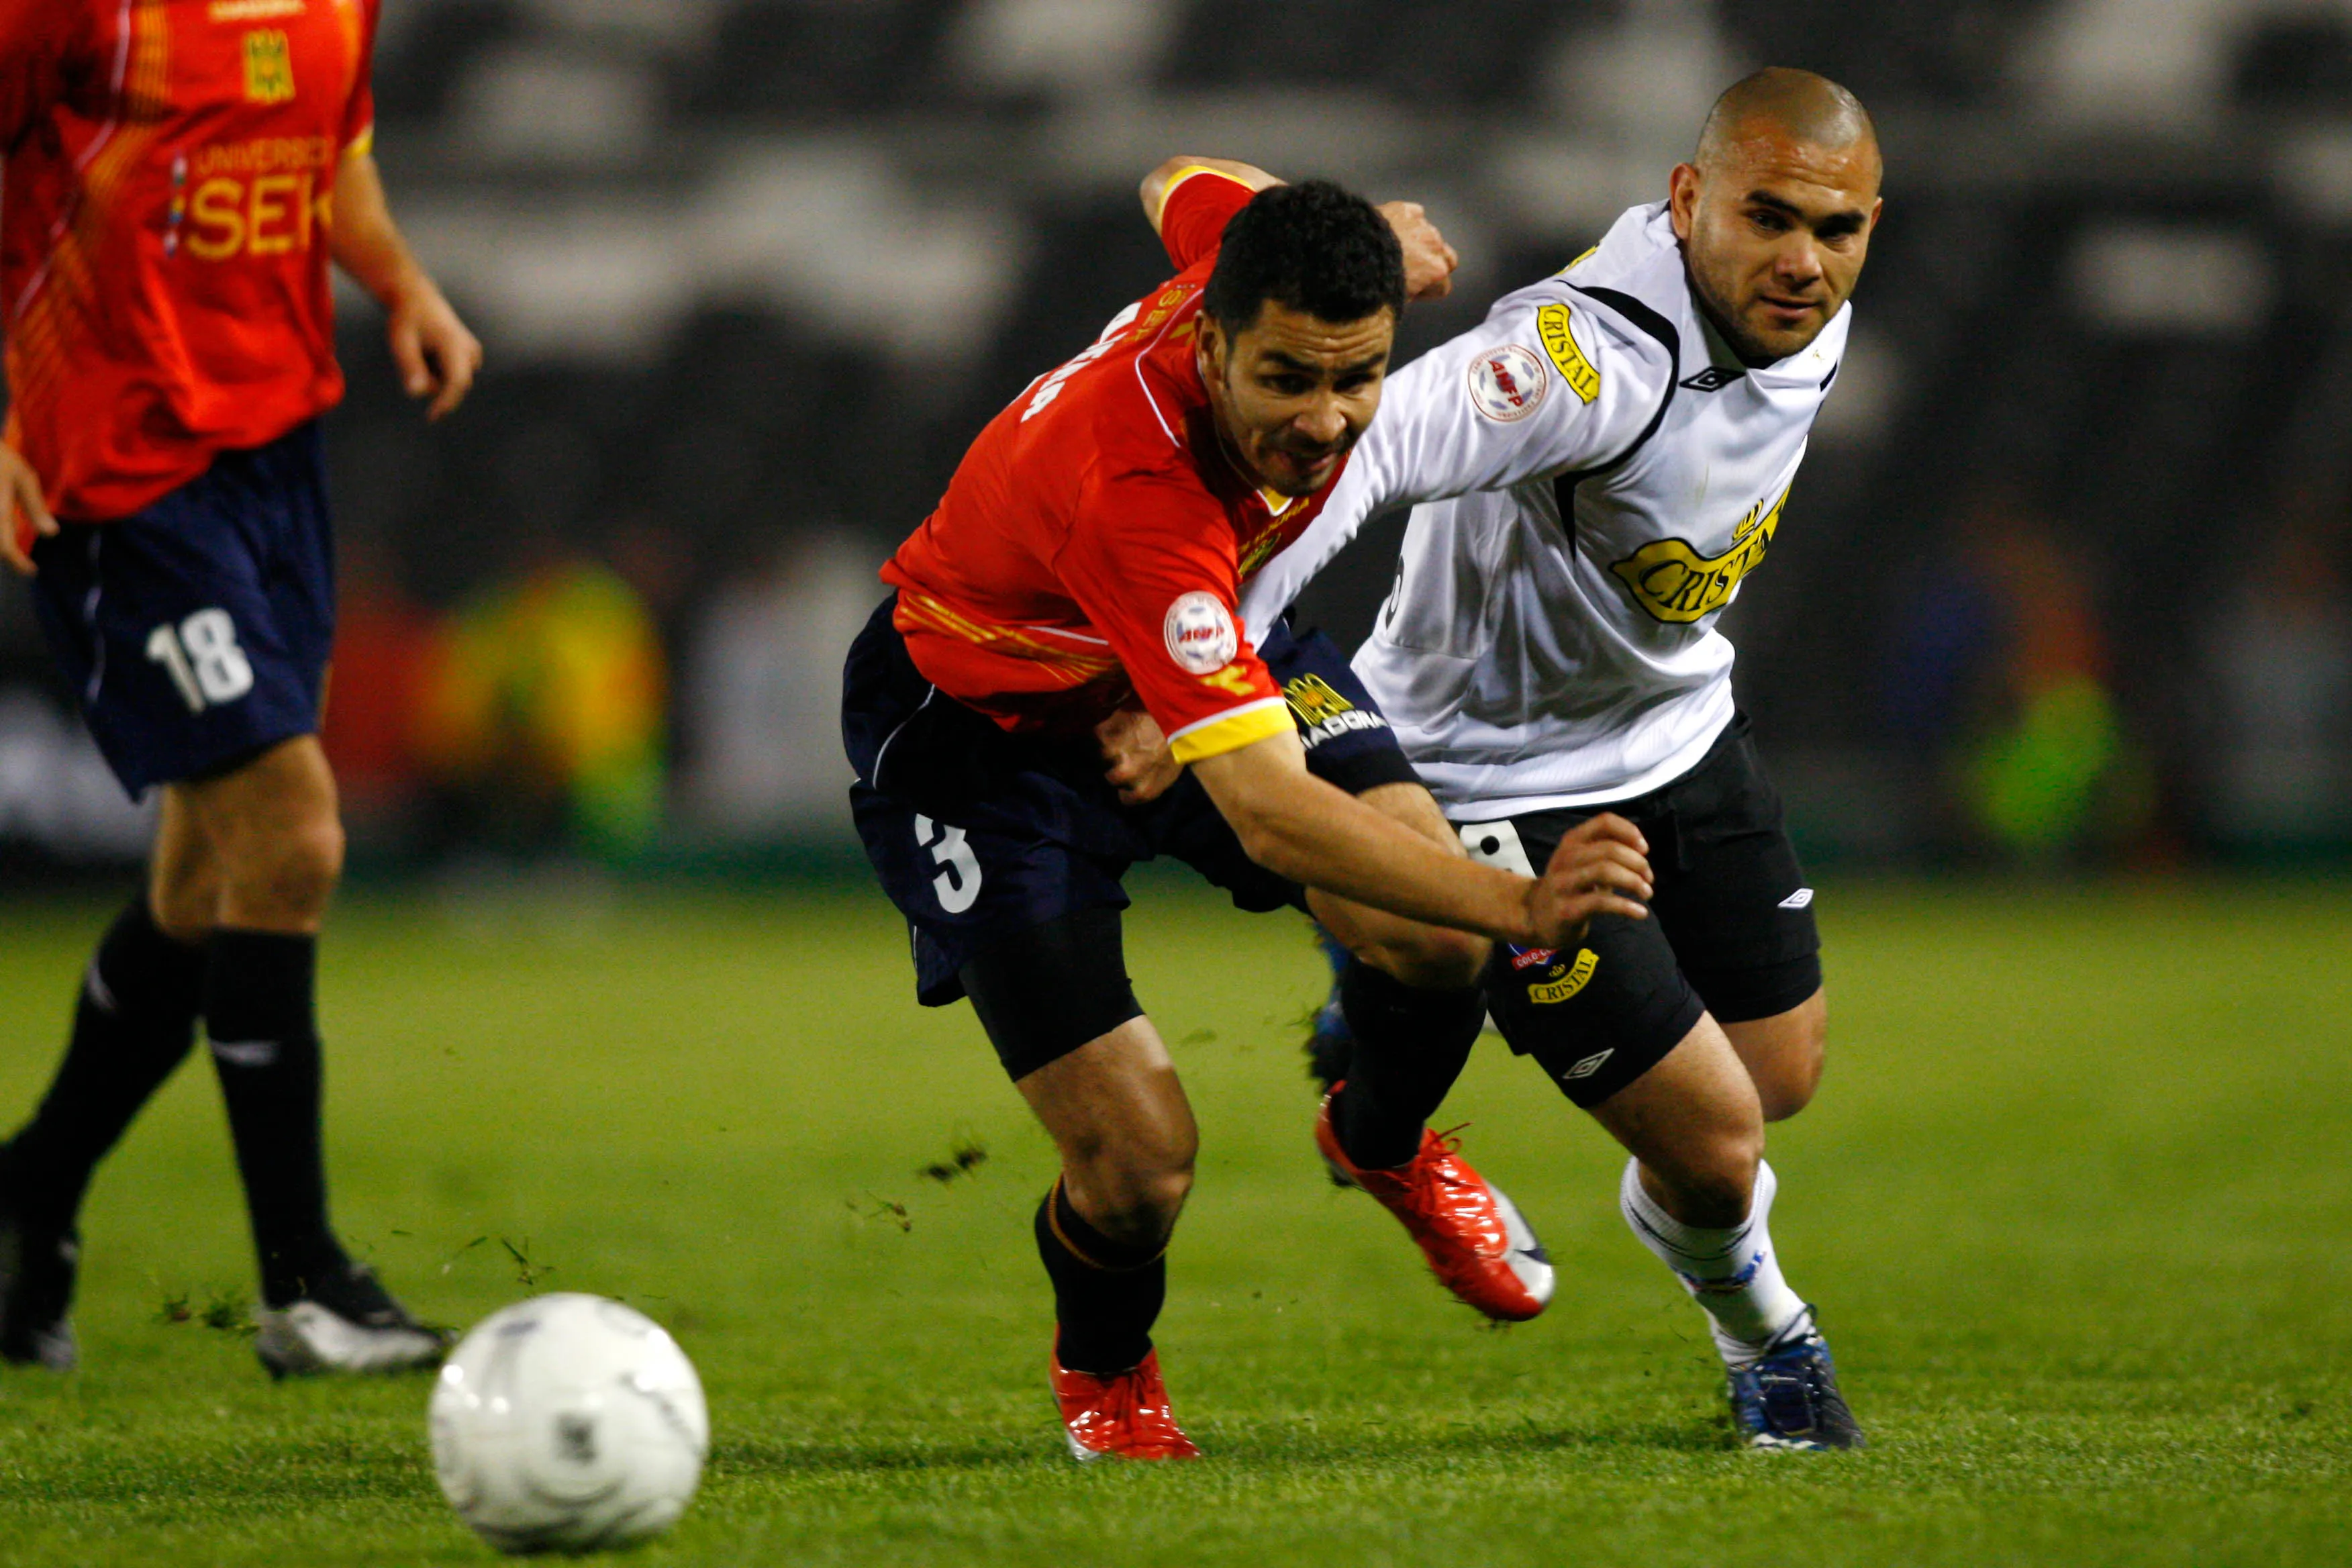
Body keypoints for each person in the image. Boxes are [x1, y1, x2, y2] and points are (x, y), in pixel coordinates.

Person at [841, 163, 1655, 1461]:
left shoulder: (1251, 272)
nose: (1329, 422)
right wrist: (1525, 905)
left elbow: (1177, 176)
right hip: (986, 747)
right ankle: (1105, 1372)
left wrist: (1366, 228)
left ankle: (1378, 1141)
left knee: (1433, 947)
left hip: (1209, 656)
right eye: (1289, 379)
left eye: (1362, 374)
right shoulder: (1134, 486)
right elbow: (1272, 813)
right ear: (1208, 341)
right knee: (1141, 1166)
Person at [1170, 67, 1877, 1449]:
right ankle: (1773, 1345)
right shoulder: (1575, 359)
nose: (1803, 259)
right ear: (1688, 200)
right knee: (1723, 1146)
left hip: (1678, 730)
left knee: (1773, 1077)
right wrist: (1221, 646)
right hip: (1501, 779)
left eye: (1839, 229)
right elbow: (1363, 456)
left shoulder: (1805, 316)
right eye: (1769, 216)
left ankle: (1398, 985)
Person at [0, 0, 482, 1376]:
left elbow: (331, 150)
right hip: (122, 471)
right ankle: (305, 1285)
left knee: (203, 885)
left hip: (277, 457)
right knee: (294, 834)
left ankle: (31, 1187)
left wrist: (399, 281)